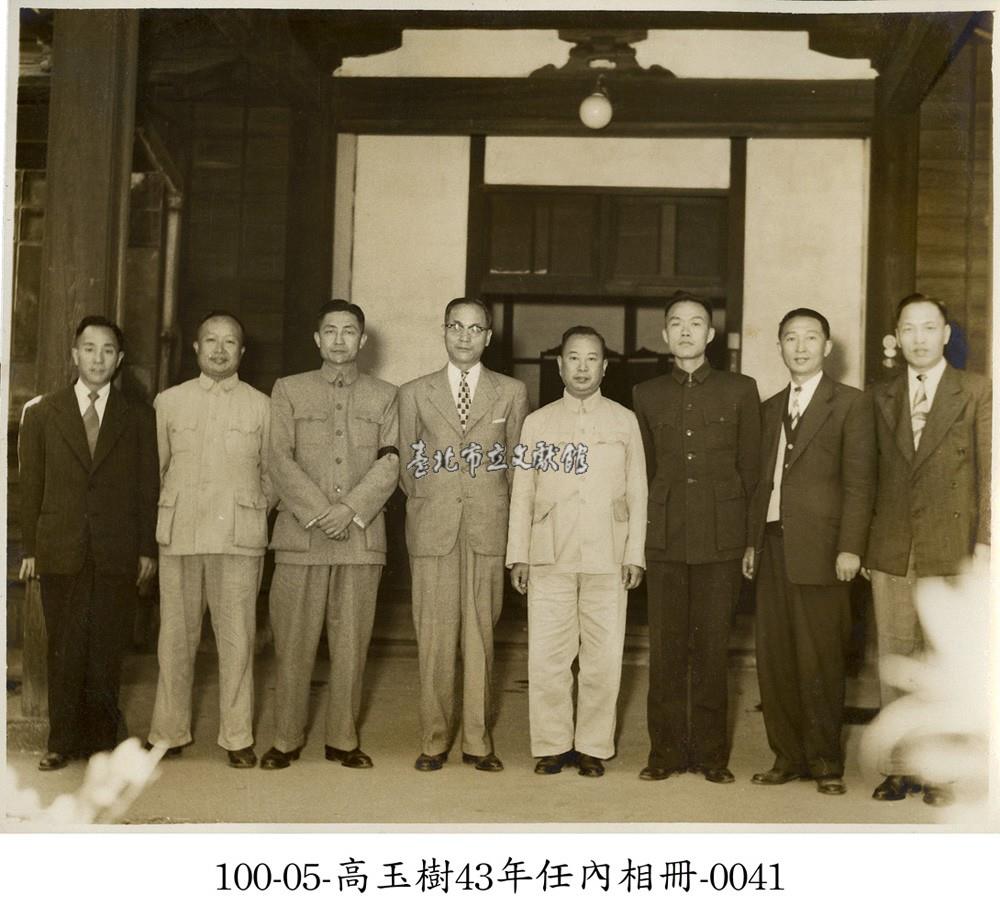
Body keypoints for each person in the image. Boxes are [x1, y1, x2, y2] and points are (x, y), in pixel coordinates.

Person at [260, 300, 398, 770]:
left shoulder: (385, 396)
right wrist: (322, 512)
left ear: (363, 340)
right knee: (292, 645)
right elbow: (277, 458)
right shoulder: (288, 390)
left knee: (351, 646)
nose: (340, 340)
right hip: (301, 538)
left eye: (349, 331)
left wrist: (350, 510)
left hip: (360, 540)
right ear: (317, 339)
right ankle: (285, 739)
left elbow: (391, 462)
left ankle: (343, 738)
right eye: (331, 331)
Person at [743, 308, 875, 795]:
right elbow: (760, 483)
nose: (800, 347)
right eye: (790, 338)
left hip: (824, 552)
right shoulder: (769, 407)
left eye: (810, 338)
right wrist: (751, 541)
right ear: (779, 346)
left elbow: (860, 484)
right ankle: (787, 756)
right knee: (775, 658)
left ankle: (824, 762)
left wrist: (851, 548)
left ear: (827, 347)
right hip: (772, 546)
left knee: (820, 659)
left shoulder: (851, 404)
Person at [865, 293, 990, 806]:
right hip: (893, 545)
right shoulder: (880, 395)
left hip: (951, 543)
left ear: (945, 334)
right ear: (897, 337)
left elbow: (990, 473)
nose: (918, 338)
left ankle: (940, 770)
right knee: (895, 655)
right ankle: (900, 768)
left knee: (943, 657)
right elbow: (867, 476)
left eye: (928, 327)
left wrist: (985, 541)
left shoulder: (976, 390)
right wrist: (863, 546)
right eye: (908, 329)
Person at [18, 316, 158, 771]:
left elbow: (147, 487)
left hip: (116, 549)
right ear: (74, 353)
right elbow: (30, 485)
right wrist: (30, 548)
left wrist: (146, 549)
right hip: (61, 546)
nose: (98, 358)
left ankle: (101, 743)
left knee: (106, 647)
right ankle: (60, 740)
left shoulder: (138, 416)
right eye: (90, 348)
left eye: (108, 350)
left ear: (120, 360)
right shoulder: (44, 413)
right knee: (64, 646)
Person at [632, 292, 761, 783]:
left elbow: (752, 471)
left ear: (711, 334)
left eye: (696, 323)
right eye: (676, 323)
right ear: (664, 334)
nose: (685, 331)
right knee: (665, 650)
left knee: (711, 649)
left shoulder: (740, 390)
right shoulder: (646, 394)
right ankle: (664, 753)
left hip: (721, 539)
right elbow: (642, 473)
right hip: (665, 538)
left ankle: (711, 755)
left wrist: (750, 541)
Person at [507, 327, 646, 777]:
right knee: (548, 655)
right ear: (559, 365)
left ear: (604, 367)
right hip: (550, 553)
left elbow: (638, 490)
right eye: (573, 358)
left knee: (602, 658)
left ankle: (592, 746)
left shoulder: (624, 420)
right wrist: (518, 553)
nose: (582, 367)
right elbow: (522, 493)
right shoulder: (538, 423)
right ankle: (551, 745)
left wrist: (635, 554)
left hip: (609, 553)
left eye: (591, 359)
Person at [398, 296, 529, 772]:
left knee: (480, 637)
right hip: (433, 529)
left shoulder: (511, 392)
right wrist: (436, 499)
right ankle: (434, 740)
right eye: (456, 326)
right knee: (433, 639)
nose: (465, 336)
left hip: (486, 530)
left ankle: (477, 741)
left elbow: (516, 466)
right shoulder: (414, 393)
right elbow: (408, 467)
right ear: (444, 331)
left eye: (475, 328)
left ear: (488, 337)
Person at [146, 311, 272, 768]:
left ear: (243, 351)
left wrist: (250, 510)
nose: (220, 350)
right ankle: (168, 732)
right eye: (211, 341)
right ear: (196, 348)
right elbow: (155, 470)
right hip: (181, 534)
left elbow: (272, 475)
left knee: (237, 640)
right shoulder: (169, 402)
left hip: (238, 539)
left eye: (230, 342)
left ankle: (237, 737)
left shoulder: (262, 405)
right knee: (174, 639)